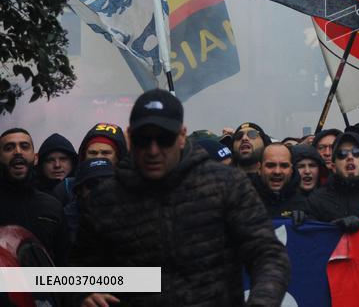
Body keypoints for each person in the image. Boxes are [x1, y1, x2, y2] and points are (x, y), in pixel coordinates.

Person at [72, 90, 290, 306]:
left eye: (164, 139)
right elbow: (72, 273)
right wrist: (83, 292)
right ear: (129, 137)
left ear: (182, 136)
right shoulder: (105, 198)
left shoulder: (226, 185)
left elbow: (269, 255)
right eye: (143, 139)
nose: (153, 150)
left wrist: (261, 302)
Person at [0, 128, 68, 262]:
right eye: (9, 148)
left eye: (24, 147)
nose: (18, 152)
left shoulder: (52, 206)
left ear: (35, 158)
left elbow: (64, 261)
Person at [254, 143, 311, 219]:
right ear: (259, 168)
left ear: (291, 169)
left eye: (284, 166)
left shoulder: (306, 204)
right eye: (270, 165)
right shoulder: (243, 202)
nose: (277, 171)